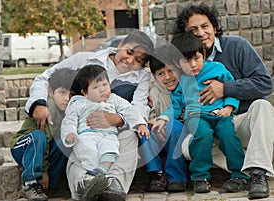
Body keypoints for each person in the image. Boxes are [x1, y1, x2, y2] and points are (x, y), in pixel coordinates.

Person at [24, 30, 154, 201]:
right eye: (129, 52)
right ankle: (82, 184)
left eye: (138, 60)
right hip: (82, 126)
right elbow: (44, 77)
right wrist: (39, 103)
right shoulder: (84, 60)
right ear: (120, 44)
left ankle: (113, 184)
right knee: (79, 143)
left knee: (131, 136)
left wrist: (117, 119)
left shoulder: (141, 77)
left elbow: (138, 108)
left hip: (115, 131)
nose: (130, 61)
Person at [174, 3, 274, 199]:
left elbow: (265, 84)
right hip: (206, 126)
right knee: (186, 147)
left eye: (205, 26)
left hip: (240, 121)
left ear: (214, 26)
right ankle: (247, 169)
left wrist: (225, 89)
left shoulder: (237, 46)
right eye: (193, 30)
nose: (201, 33)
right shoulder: (184, 62)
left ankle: (258, 175)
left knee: (263, 106)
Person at [153, 32, 250, 193]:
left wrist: (229, 107)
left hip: (220, 114)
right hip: (195, 117)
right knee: (203, 135)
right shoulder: (182, 80)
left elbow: (231, 89)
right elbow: (176, 106)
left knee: (228, 136)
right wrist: (163, 118)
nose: (192, 65)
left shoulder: (218, 69)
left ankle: (240, 174)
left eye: (196, 58)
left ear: (204, 54)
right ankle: (200, 176)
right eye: (185, 61)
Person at [61, 64, 150, 200]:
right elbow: (69, 121)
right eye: (96, 87)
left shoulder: (114, 99)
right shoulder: (78, 103)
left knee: (121, 142)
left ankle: (111, 183)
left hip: (109, 135)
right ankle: (85, 182)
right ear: (85, 92)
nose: (102, 90)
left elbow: (129, 110)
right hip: (86, 135)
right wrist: (70, 134)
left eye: (105, 85)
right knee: (85, 150)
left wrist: (140, 124)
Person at [10, 68, 77, 201]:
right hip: (24, 146)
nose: (66, 99)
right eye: (62, 92)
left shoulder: (69, 109)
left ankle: (52, 187)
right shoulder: (49, 106)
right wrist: (44, 170)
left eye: (71, 94)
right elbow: (44, 135)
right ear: (50, 92)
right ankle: (30, 183)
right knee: (39, 137)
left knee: (65, 142)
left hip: (42, 148)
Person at [138, 44, 188, 192]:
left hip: (179, 136)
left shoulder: (187, 88)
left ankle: (176, 177)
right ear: (154, 76)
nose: (167, 77)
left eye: (171, 71)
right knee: (143, 130)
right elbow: (148, 113)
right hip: (158, 137)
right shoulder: (154, 92)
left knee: (174, 125)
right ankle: (156, 174)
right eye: (161, 74)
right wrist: (152, 122)